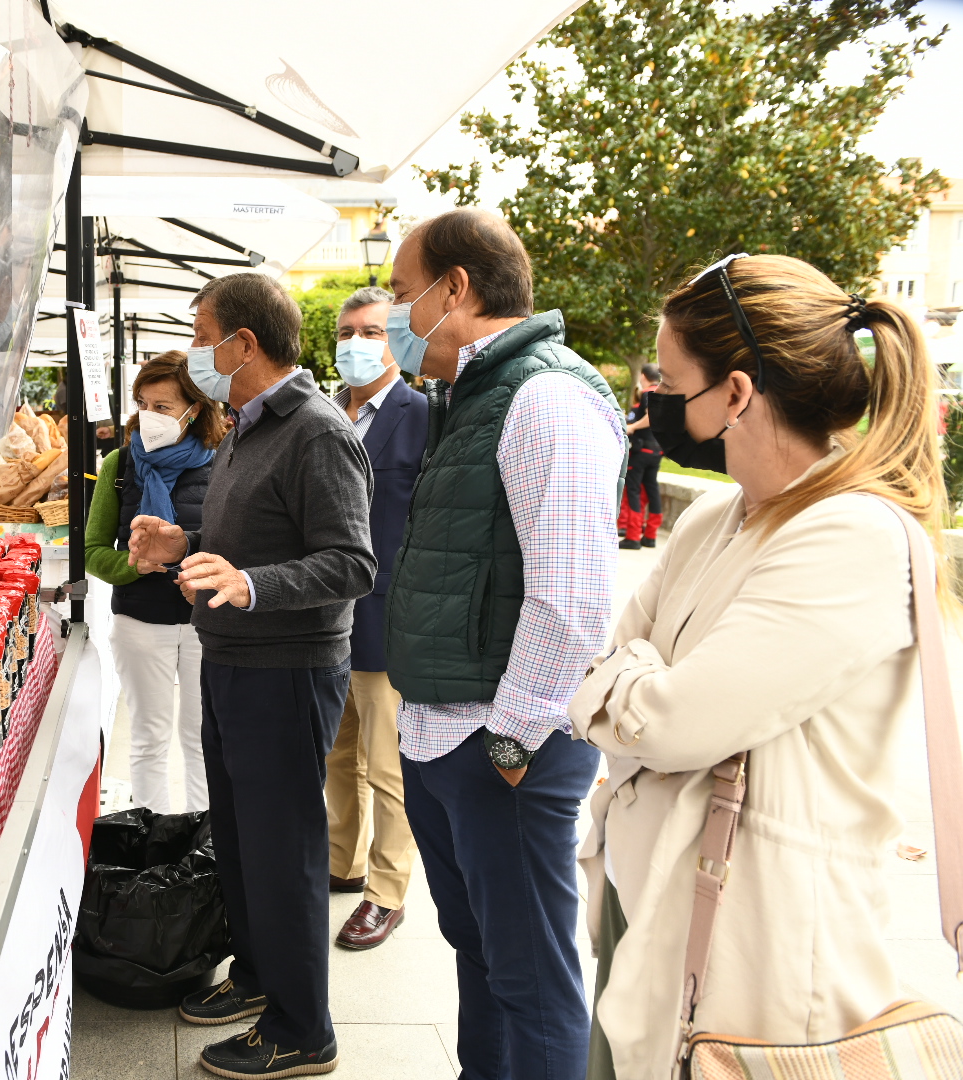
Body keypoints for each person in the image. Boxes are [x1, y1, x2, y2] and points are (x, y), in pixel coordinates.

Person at [568, 255, 943, 1079]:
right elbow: (607, 676)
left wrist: (634, 684)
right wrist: (635, 683)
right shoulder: (714, 520)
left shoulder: (851, 537)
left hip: (760, 949)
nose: (654, 400)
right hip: (648, 905)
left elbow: (666, 723)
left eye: (669, 380)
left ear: (735, 394)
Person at [381, 209, 625, 1080]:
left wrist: (514, 739)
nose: (399, 320)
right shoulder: (477, 395)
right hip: (449, 733)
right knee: (481, 956)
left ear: (458, 289)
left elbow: (570, 600)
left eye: (406, 296)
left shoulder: (545, 396)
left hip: (502, 742)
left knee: (531, 981)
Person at [128, 272, 375, 1079]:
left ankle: (304, 1029)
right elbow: (248, 532)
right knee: (238, 841)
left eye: (203, 335)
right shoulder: (249, 423)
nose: (196, 350)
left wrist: (255, 584)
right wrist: (182, 544)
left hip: (286, 669)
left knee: (283, 851)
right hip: (234, 660)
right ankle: (261, 979)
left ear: (243, 343)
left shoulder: (317, 429)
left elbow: (351, 561)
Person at [323, 286, 429, 951]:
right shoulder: (327, 414)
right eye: (347, 332)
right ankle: (342, 860)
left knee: (387, 767)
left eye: (371, 332)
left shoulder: (422, 416)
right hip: (325, 618)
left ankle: (387, 892)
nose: (356, 344)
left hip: (388, 620)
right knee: (337, 755)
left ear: (396, 342)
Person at [84, 351, 226, 813]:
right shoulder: (119, 465)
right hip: (141, 623)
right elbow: (92, 551)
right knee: (148, 736)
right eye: (142, 403)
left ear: (196, 409)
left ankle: (206, 846)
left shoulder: (226, 461)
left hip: (210, 623)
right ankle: (152, 844)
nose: (149, 416)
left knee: (205, 737)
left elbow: (246, 543)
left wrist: (197, 561)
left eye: (162, 406)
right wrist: (134, 566)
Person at [619, 364, 664, 550]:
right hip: (657, 450)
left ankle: (633, 535)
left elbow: (650, 416)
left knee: (633, 491)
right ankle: (650, 535)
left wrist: (633, 427)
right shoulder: (664, 393)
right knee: (652, 490)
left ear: (643, 376)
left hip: (642, 450)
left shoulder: (648, 393)